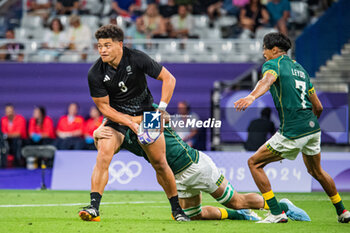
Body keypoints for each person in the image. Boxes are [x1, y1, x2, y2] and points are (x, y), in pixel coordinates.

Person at [93, 106, 310, 222]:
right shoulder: (117, 133)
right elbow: (107, 151)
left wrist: (131, 120)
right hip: (175, 179)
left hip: (196, 167)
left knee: (236, 200)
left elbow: (165, 117)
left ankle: (281, 207)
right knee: (193, 215)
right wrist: (97, 136)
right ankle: (238, 216)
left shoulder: (142, 111)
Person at [234, 32, 350, 223]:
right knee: (317, 171)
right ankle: (342, 211)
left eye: (265, 48)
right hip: (312, 128)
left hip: (293, 129)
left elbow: (266, 80)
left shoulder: (274, 64)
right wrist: (309, 124)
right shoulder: (300, 70)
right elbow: (318, 106)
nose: (263, 53)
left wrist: (251, 96)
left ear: (274, 50)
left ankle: (276, 213)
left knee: (254, 163)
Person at [79, 24, 189, 222]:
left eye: (107, 45)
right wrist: (129, 123)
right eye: (99, 46)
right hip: (117, 118)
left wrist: (161, 109)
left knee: (160, 163)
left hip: (148, 114)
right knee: (103, 152)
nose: (102, 50)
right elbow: (104, 108)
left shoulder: (137, 58)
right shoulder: (95, 72)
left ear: (120, 45)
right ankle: (93, 207)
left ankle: (177, 210)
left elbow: (169, 79)